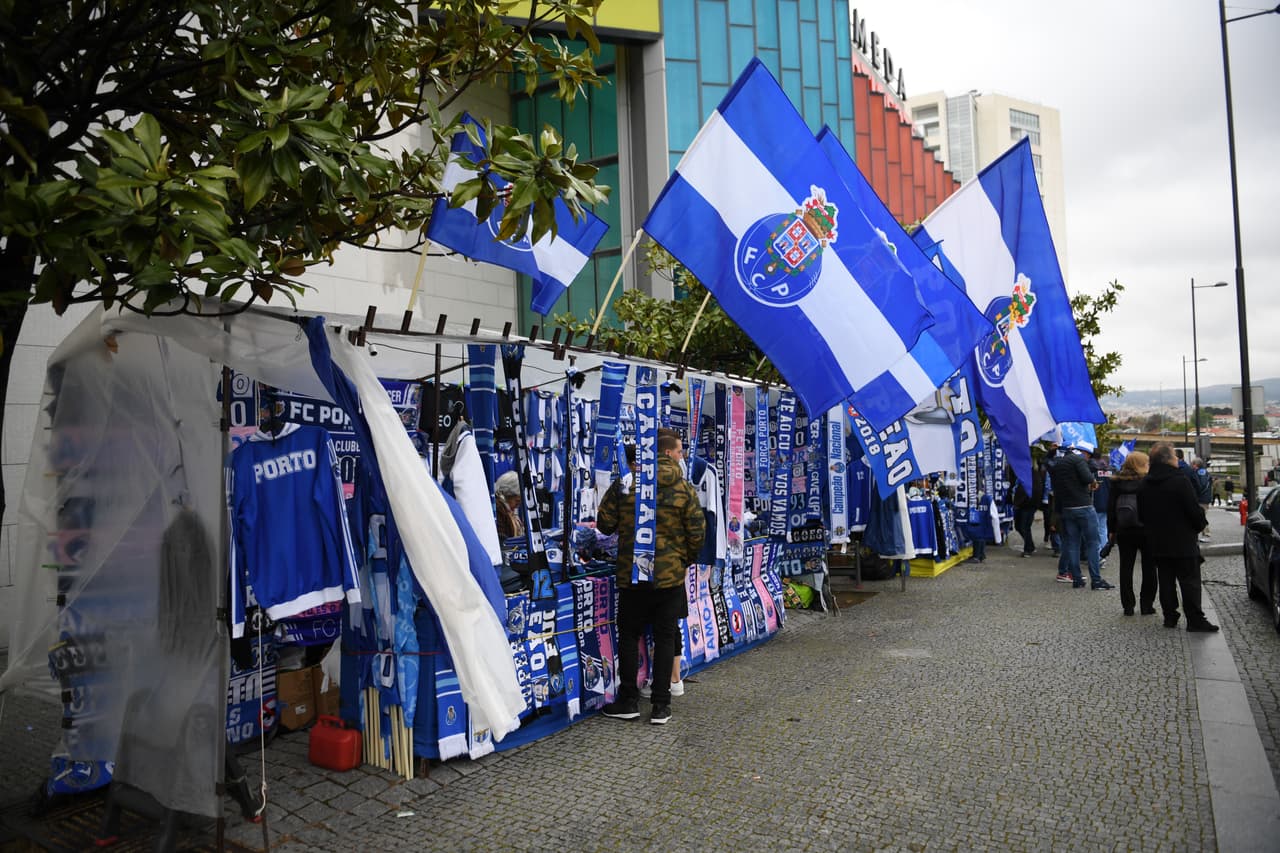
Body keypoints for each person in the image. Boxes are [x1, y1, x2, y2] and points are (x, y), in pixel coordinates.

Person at [598, 428, 705, 725]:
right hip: (669, 577)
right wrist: (682, 561)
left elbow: (604, 524)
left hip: (633, 575)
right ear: (668, 453)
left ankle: (628, 700)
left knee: (629, 635)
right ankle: (661, 705)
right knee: (665, 636)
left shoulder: (627, 482)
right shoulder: (683, 487)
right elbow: (698, 533)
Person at [1139, 442, 1216, 632]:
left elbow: (1142, 514)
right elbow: (1193, 510)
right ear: (1167, 459)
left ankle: (1170, 616)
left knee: (1166, 580)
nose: (1177, 459)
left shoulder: (1145, 483)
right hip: (1183, 540)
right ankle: (1195, 619)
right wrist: (1199, 526)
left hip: (1158, 541)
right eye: (1174, 455)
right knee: (1189, 581)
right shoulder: (1180, 481)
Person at [1049, 442, 1113, 590]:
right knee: (1092, 543)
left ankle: (1077, 579)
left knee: (1073, 544)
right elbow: (1088, 478)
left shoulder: (1058, 464)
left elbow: (1049, 467)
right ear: (1083, 452)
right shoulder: (1077, 460)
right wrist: (1093, 482)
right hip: (1084, 506)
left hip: (1067, 508)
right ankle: (1096, 580)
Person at [1105, 451, 1156, 616]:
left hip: (1124, 529)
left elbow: (1111, 508)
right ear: (1140, 465)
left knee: (1126, 567)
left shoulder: (1116, 482)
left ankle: (1128, 606)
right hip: (1146, 529)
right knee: (1149, 568)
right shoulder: (1148, 482)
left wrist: (1111, 530)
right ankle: (1147, 605)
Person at [1010, 460, 1044, 557]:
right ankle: (1030, 546)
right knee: (1019, 526)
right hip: (1022, 504)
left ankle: (1028, 549)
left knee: (1024, 526)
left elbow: (1035, 490)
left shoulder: (1032, 475)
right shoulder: (1023, 474)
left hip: (1027, 504)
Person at [494, 470, 525, 540]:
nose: (517, 506)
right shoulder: (498, 510)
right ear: (507, 494)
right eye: (517, 501)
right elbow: (502, 539)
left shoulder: (506, 510)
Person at [1191, 459, 1213, 542]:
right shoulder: (1201, 472)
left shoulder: (1201, 472)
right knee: (1201, 516)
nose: (1191, 466)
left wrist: (1196, 494)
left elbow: (1202, 485)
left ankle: (1207, 535)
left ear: (1195, 464)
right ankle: (1204, 534)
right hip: (1203, 498)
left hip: (1202, 499)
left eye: (1192, 464)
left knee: (1202, 517)